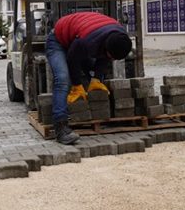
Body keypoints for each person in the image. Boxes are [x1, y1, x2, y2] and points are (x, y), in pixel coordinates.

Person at [46, 12, 133, 144]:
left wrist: (96, 79)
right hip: (58, 40)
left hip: (80, 34)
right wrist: (77, 85)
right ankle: (61, 128)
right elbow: (72, 60)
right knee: (63, 79)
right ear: (106, 47)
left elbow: (105, 57)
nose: (112, 59)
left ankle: (93, 113)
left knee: (92, 72)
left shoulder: (119, 37)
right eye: (111, 56)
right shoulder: (88, 41)